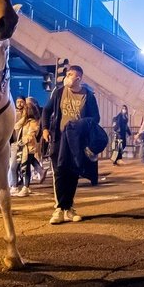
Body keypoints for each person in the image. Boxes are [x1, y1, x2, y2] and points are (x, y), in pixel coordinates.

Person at [41, 64, 100, 224]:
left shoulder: (88, 96)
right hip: (59, 138)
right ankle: (59, 209)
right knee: (59, 173)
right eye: (67, 74)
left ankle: (69, 208)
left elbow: (95, 118)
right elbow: (46, 110)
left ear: (78, 78)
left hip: (76, 141)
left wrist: (81, 125)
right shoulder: (59, 92)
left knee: (73, 173)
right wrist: (45, 128)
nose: (67, 77)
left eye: (70, 74)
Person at [15, 98, 42, 196]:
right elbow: (16, 127)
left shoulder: (33, 122)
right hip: (23, 148)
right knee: (26, 166)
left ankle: (25, 187)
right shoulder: (25, 121)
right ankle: (39, 172)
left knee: (25, 167)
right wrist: (22, 119)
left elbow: (30, 136)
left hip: (28, 147)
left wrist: (21, 142)